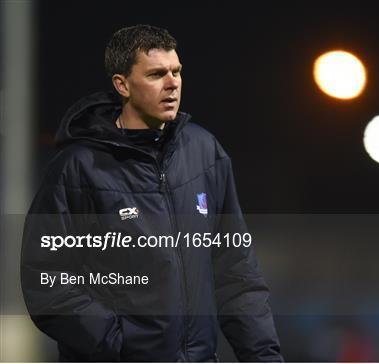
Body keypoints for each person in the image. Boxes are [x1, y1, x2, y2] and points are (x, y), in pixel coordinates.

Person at [20, 24, 283, 362]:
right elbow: (47, 281)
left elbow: (236, 273)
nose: (172, 83)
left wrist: (263, 357)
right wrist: (118, 342)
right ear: (122, 85)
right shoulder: (78, 169)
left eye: (177, 72)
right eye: (157, 74)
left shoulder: (205, 153)